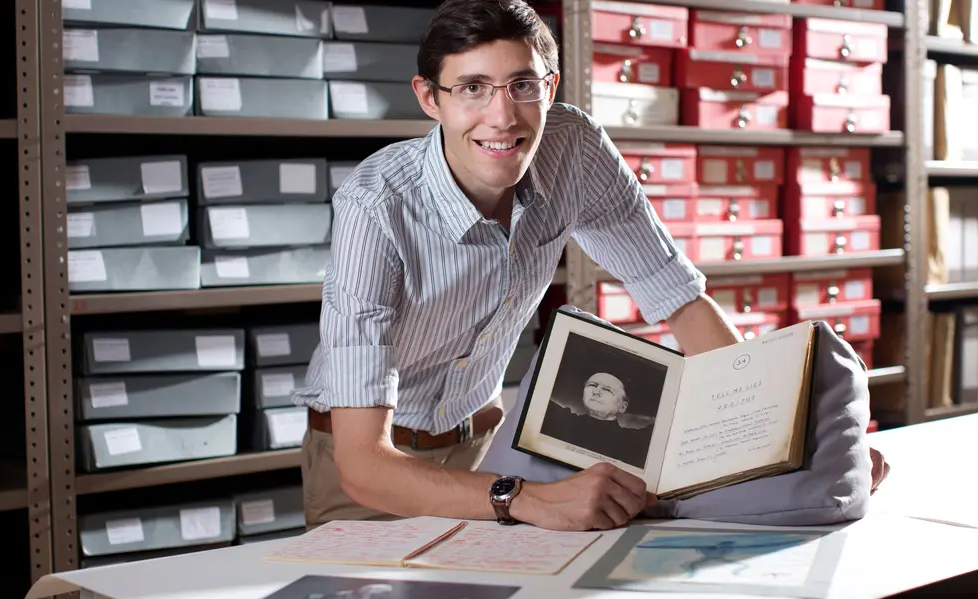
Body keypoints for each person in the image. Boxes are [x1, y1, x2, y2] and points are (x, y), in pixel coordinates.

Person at [291, 0, 743, 532]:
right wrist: (529, 499)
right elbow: (364, 465)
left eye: (522, 86)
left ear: (550, 89)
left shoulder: (573, 147)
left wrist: (785, 442)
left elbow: (682, 300)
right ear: (429, 98)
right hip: (380, 472)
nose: (502, 117)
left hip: (490, 449)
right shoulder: (377, 206)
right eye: (472, 88)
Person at [541, 372, 654, 469]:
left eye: (607, 390)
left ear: (622, 407)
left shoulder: (633, 442)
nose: (596, 392)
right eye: (592, 385)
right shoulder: (558, 421)